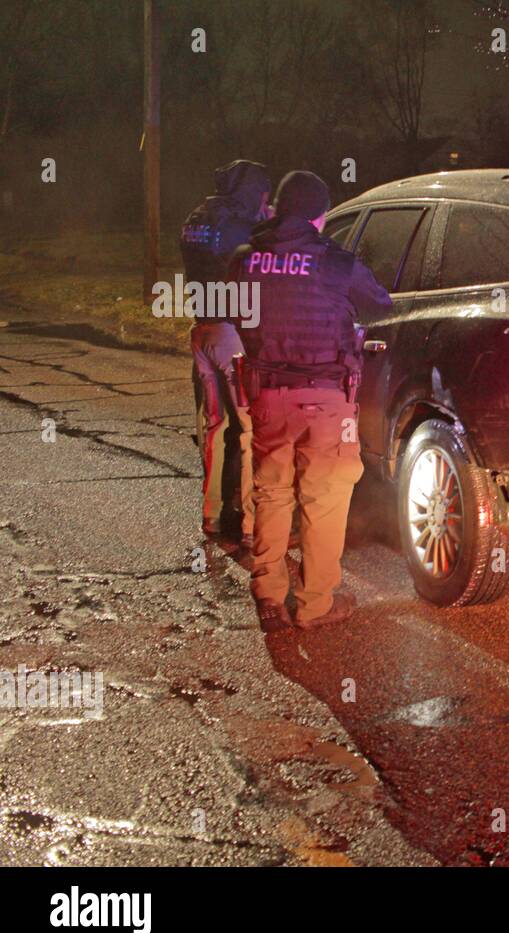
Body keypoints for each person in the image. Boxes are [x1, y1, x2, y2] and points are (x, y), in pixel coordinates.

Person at [230, 170, 392, 632]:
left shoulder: (244, 260)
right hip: (327, 399)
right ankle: (315, 603)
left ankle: (268, 596)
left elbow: (238, 314)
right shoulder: (335, 262)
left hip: (266, 396)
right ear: (320, 217)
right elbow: (382, 306)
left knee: (271, 494)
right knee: (323, 500)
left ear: (276, 209)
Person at [180, 159, 272, 549]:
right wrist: (265, 225)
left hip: (202, 331)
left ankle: (213, 514)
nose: (266, 201)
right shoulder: (238, 226)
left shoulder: (196, 218)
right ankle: (253, 523)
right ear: (252, 192)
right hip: (233, 334)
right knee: (252, 429)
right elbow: (254, 268)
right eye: (263, 195)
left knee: (216, 428)